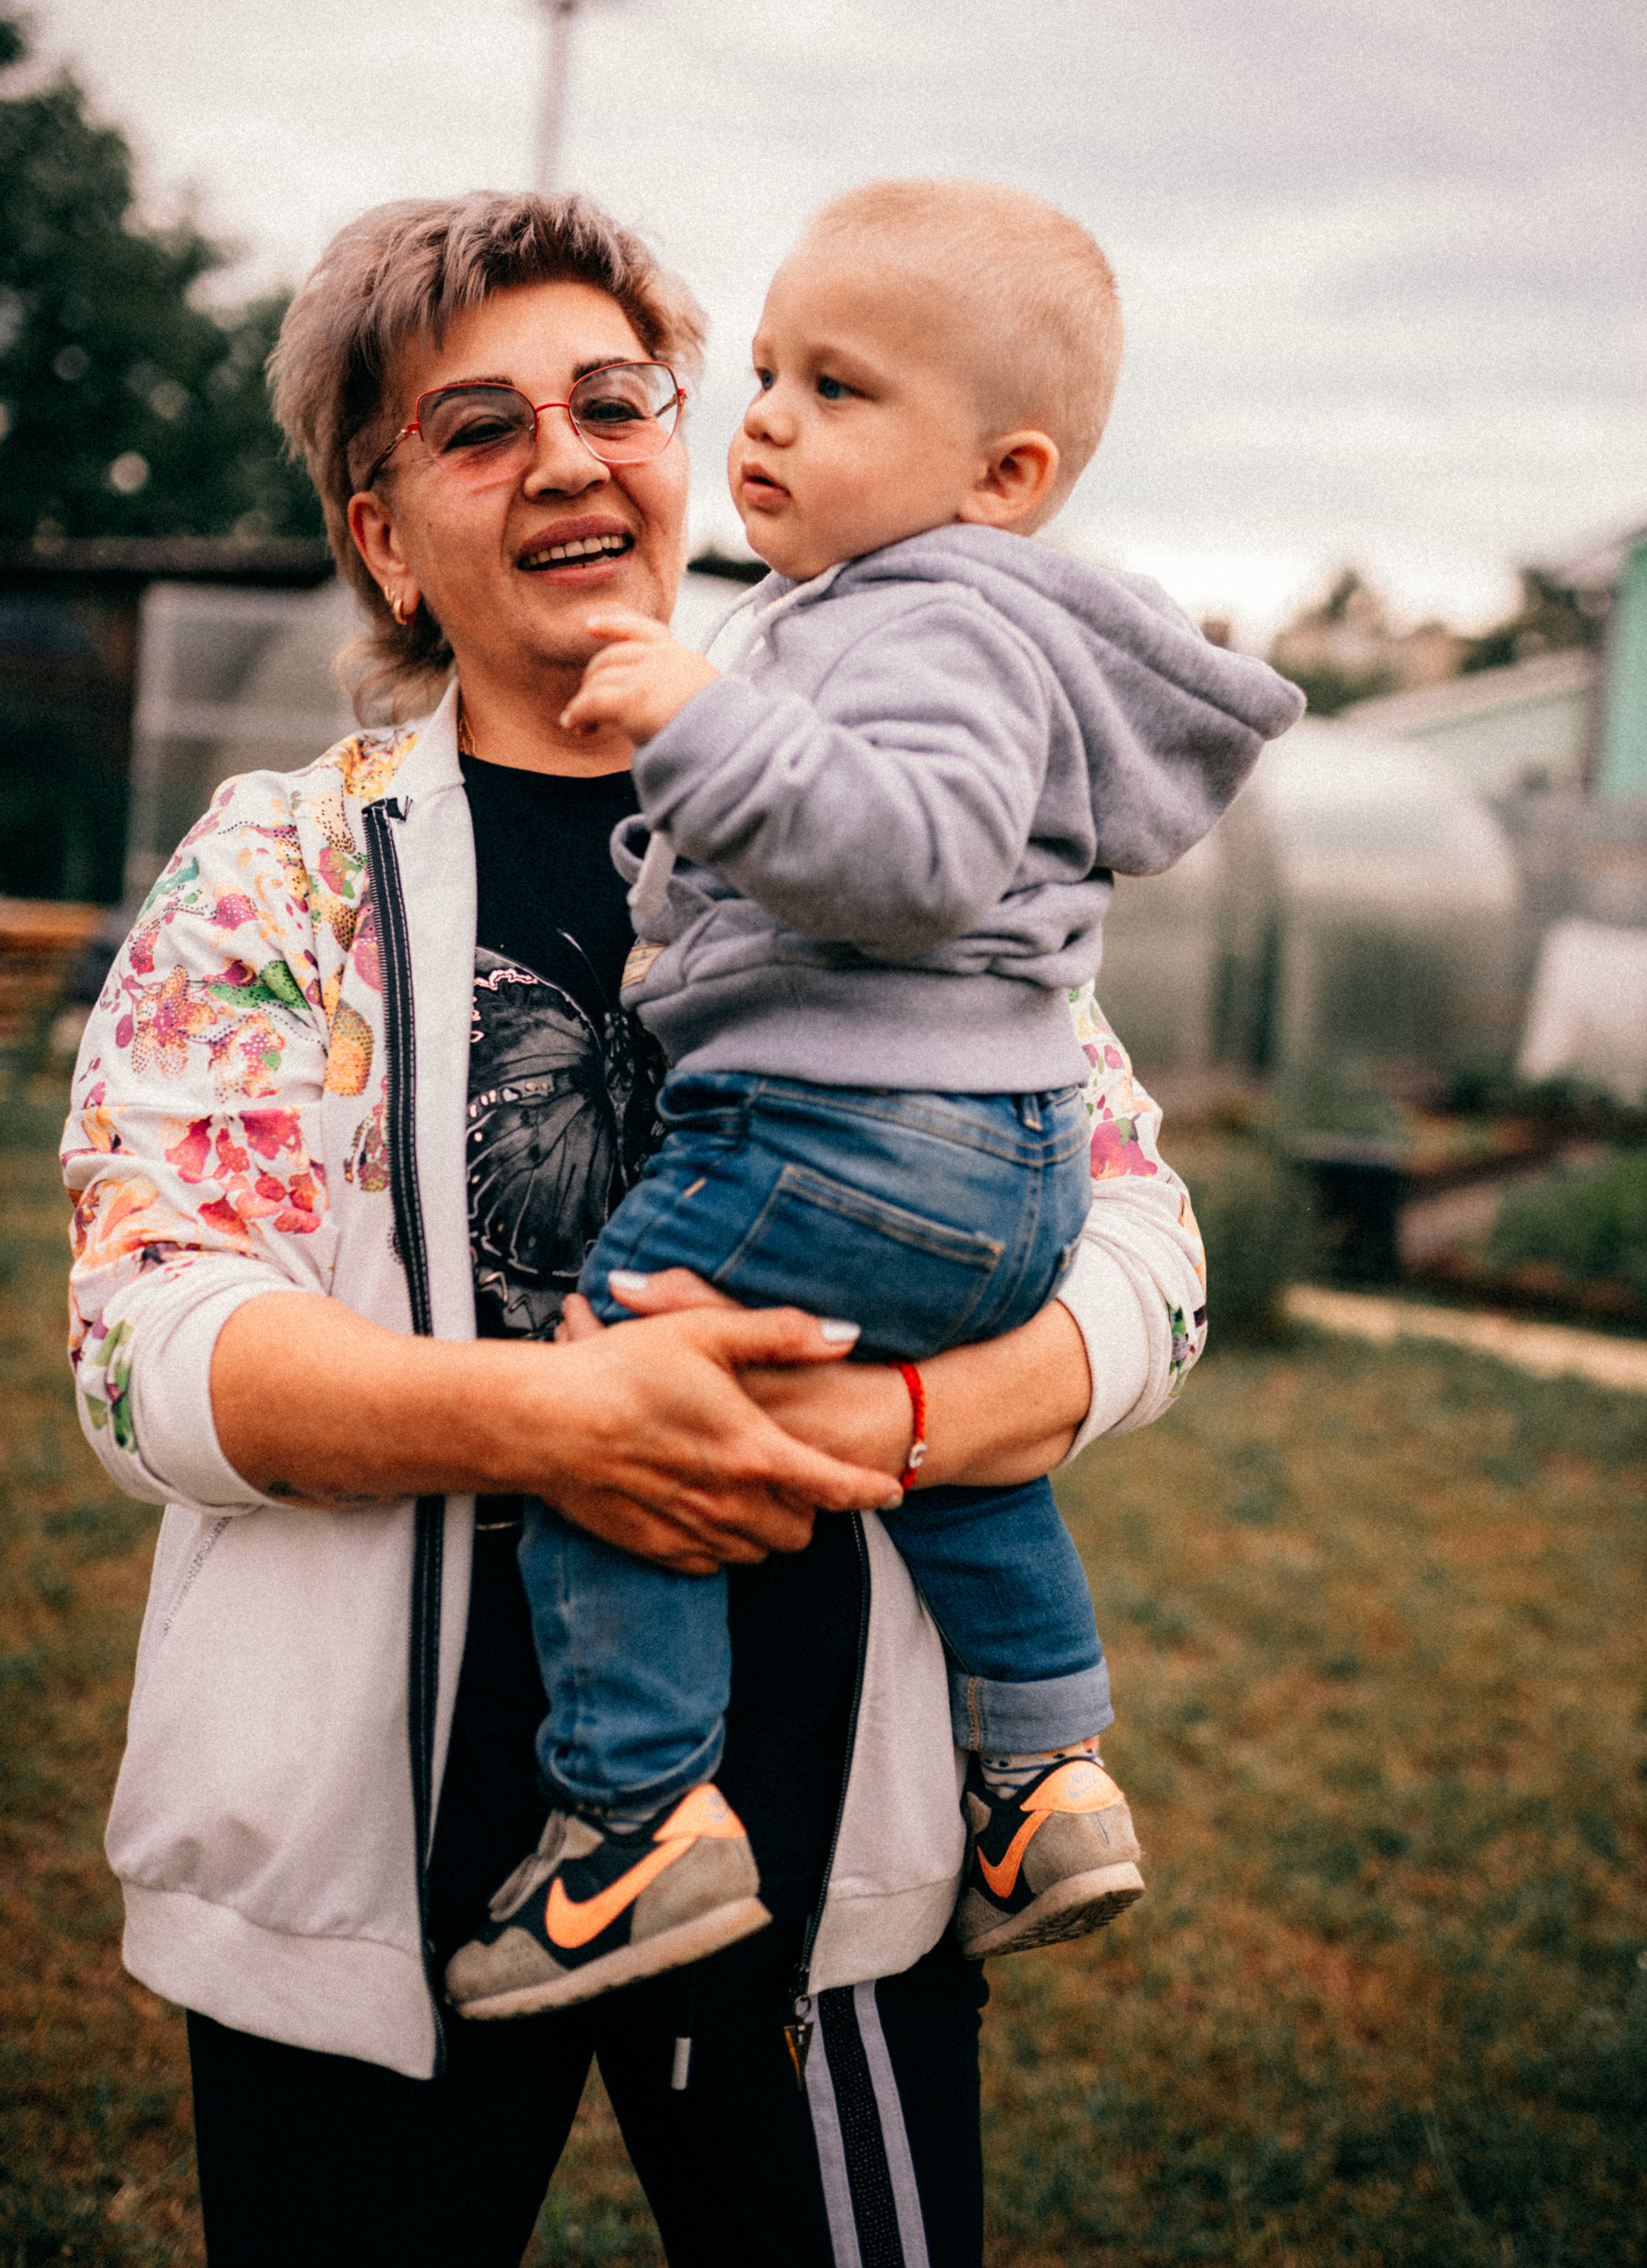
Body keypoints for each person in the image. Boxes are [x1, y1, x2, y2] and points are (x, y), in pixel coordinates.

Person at [62, 188, 1208, 2268]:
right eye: (479, 428)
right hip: (375, 1834)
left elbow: (1140, 1245)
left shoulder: (881, 793)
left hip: (822, 1803)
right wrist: (557, 1426)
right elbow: (148, 1346)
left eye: (616, 399)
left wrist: (905, 1431)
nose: (575, 458)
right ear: (386, 531)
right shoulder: (278, 873)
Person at [445, 180, 1302, 2023]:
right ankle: (1043, 1779)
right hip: (999, 1169)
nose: (764, 414)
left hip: (840, 1134)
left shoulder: (929, 621)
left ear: (1002, 475)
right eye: (762, 369)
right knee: (966, 1484)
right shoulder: (907, 618)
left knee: (619, 1384)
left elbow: (914, 859)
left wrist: (699, 721)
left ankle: (635, 1825)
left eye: (837, 388)